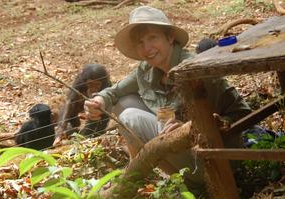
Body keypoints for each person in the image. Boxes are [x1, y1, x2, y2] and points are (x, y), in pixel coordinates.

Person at [84, 6, 251, 196]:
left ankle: (185, 182)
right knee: (122, 102)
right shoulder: (146, 71)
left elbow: (242, 112)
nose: (147, 48)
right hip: (178, 151)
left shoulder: (195, 69)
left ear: (170, 37)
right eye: (140, 42)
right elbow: (114, 91)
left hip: (213, 160)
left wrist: (193, 127)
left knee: (130, 116)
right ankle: (153, 173)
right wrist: (98, 100)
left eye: (152, 38)